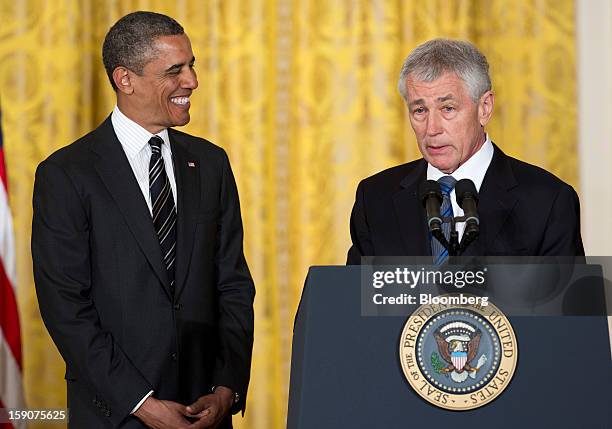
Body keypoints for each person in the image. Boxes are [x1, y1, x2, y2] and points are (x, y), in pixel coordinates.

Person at [32, 11, 254, 429]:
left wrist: (227, 386)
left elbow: (233, 284)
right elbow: (65, 305)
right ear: (125, 79)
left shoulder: (210, 162)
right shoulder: (66, 174)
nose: (191, 81)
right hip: (116, 414)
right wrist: (141, 403)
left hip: (205, 411)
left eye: (192, 65)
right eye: (175, 70)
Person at [347, 39, 584, 264]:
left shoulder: (548, 201)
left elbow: (569, 305)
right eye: (419, 110)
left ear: (484, 108)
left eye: (448, 108)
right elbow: (352, 301)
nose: (432, 129)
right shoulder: (376, 198)